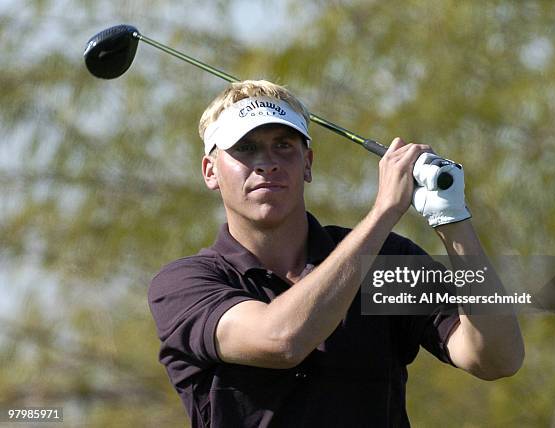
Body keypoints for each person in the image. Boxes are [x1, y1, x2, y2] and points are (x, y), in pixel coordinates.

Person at [148, 80, 524, 428]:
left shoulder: (385, 262)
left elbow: (496, 358)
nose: (267, 162)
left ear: (307, 163)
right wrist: (383, 212)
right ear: (210, 171)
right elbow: (282, 340)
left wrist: (453, 220)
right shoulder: (184, 285)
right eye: (245, 148)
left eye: (284, 145)